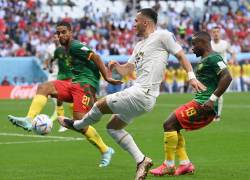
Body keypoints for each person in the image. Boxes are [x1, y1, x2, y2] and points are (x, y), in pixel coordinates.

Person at [58, 8, 205, 180]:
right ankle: (141, 160)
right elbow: (127, 70)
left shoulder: (163, 36)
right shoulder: (139, 46)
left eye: (136, 21)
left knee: (99, 105)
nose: (133, 25)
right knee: (112, 128)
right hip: (140, 96)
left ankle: (78, 125)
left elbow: (181, 56)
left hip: (143, 93)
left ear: (145, 22)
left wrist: (191, 77)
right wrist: (116, 67)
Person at [7, 21, 122, 167]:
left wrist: (106, 77)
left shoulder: (74, 46)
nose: (60, 35)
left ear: (70, 32)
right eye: (58, 33)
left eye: (63, 32)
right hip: (74, 84)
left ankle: (105, 150)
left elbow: (96, 57)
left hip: (85, 85)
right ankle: (29, 119)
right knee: (44, 87)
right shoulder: (64, 49)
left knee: (79, 122)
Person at [149, 31, 232, 176]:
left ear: (204, 43)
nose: (192, 48)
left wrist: (212, 99)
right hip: (200, 101)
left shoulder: (214, 58)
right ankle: (185, 164)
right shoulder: (205, 59)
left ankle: (168, 165)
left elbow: (227, 77)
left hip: (204, 104)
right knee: (174, 127)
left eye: (194, 44)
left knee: (168, 124)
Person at [211, 26, 236, 121]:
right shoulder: (209, 44)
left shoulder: (225, 44)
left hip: (223, 72)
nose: (216, 33)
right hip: (212, 71)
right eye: (214, 32)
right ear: (212, 33)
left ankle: (217, 115)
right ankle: (213, 113)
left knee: (219, 93)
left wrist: (232, 60)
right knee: (211, 93)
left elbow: (233, 53)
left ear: (220, 33)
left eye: (217, 31)